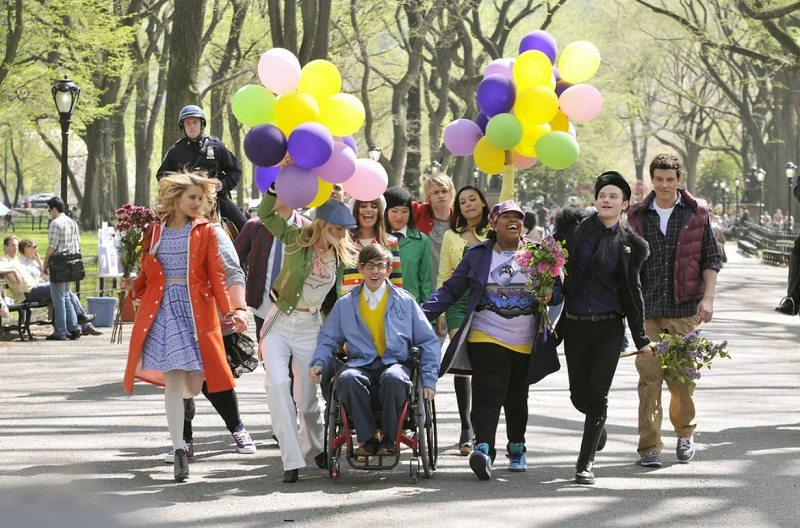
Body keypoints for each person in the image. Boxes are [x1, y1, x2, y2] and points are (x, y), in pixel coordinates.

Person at [121, 172, 247, 482]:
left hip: (197, 313)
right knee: (173, 384)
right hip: (162, 312)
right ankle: (179, 449)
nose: (197, 203)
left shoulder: (207, 231)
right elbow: (149, 275)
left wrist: (231, 311)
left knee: (193, 386)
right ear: (175, 198)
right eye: (191, 197)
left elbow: (219, 274)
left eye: (201, 198)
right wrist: (132, 285)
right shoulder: (154, 232)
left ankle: (189, 404)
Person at [423, 200, 561, 481]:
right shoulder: (478, 255)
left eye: (518, 218)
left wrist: (551, 294)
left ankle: (517, 447)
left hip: (525, 340)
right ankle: (483, 448)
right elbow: (452, 289)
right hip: (485, 334)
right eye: (507, 217)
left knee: (516, 397)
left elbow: (557, 290)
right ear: (494, 224)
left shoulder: (538, 254)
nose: (514, 221)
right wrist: (419, 313)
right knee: (488, 391)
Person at [552, 172, 651, 485]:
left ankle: (585, 462)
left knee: (597, 396)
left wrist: (642, 338)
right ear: (596, 200)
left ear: (624, 204)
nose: (606, 200)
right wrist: (548, 289)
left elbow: (632, 293)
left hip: (609, 328)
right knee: (578, 396)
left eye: (613, 196)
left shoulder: (630, 245)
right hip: (576, 326)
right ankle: (598, 426)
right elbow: (554, 268)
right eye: (602, 195)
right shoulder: (572, 230)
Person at [257, 183, 357, 484]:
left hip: (311, 327)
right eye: (339, 229)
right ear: (324, 225)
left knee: (308, 397)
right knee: (277, 386)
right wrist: (276, 187)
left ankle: (314, 448)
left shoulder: (340, 256)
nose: (344, 235)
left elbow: (338, 298)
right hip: (280, 321)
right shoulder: (295, 238)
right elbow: (266, 214)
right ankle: (291, 458)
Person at [627, 154, 721, 468]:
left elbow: (711, 259)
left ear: (679, 180)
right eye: (659, 179)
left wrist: (708, 299)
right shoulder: (637, 215)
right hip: (648, 311)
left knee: (682, 380)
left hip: (684, 311)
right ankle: (650, 447)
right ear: (652, 180)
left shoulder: (697, 213)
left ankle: (684, 433)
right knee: (649, 380)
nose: (665, 185)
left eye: (670, 179)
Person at [310, 244, 439, 456]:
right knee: (348, 378)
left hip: (396, 363)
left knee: (395, 378)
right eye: (370, 265)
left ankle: (389, 438)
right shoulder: (346, 304)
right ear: (360, 268)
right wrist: (319, 362)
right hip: (359, 363)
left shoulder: (405, 302)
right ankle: (367, 439)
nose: (375, 271)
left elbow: (428, 341)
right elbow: (328, 338)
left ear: (389, 270)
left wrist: (429, 380)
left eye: (381, 266)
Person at [167, 211, 258, 465]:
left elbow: (233, 271)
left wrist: (238, 307)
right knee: (180, 377)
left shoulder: (213, 232)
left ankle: (237, 428)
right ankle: (183, 440)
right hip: (176, 317)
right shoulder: (163, 232)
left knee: (216, 377)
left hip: (211, 317)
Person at [437, 185, 492, 455]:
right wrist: (439, 312)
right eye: (462, 201)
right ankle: (465, 429)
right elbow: (444, 274)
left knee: (482, 365)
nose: (468, 204)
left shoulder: (494, 233)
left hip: (486, 302)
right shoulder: (450, 236)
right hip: (458, 302)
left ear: (483, 202)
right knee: (462, 360)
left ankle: (482, 429)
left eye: (473, 199)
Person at [156, 105, 247, 233]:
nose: (192, 126)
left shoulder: (218, 147)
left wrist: (223, 184)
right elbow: (162, 175)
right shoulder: (175, 151)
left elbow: (235, 171)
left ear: (202, 124)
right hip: (185, 201)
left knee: (246, 227)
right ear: (183, 126)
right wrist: (178, 186)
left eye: (195, 122)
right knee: (158, 228)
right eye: (188, 123)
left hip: (217, 199)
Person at [12, 238, 102, 336]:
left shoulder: (34, 262)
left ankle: (83, 325)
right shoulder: (20, 262)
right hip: (33, 290)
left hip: (43, 290)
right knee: (64, 289)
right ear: (26, 248)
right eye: (34, 247)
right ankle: (81, 321)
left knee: (69, 294)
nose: (36, 249)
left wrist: (38, 259)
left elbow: (45, 276)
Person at [341, 197, 403, 295]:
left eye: (374, 206)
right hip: (348, 306)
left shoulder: (390, 242)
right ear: (356, 210)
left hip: (381, 305)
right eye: (363, 206)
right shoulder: (344, 242)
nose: (369, 210)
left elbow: (396, 281)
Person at [42, 197, 82, 341]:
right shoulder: (73, 223)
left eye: (48, 210)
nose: (49, 213)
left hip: (59, 264)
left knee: (58, 299)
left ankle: (60, 331)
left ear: (53, 209)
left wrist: (45, 264)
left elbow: (52, 247)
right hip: (72, 263)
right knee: (66, 297)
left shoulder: (55, 223)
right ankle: (74, 327)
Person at [383, 186, 433, 303]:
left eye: (405, 211)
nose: (399, 216)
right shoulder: (376, 238)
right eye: (394, 211)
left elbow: (426, 281)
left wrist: (430, 316)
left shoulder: (421, 241)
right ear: (385, 211)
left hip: (410, 305)